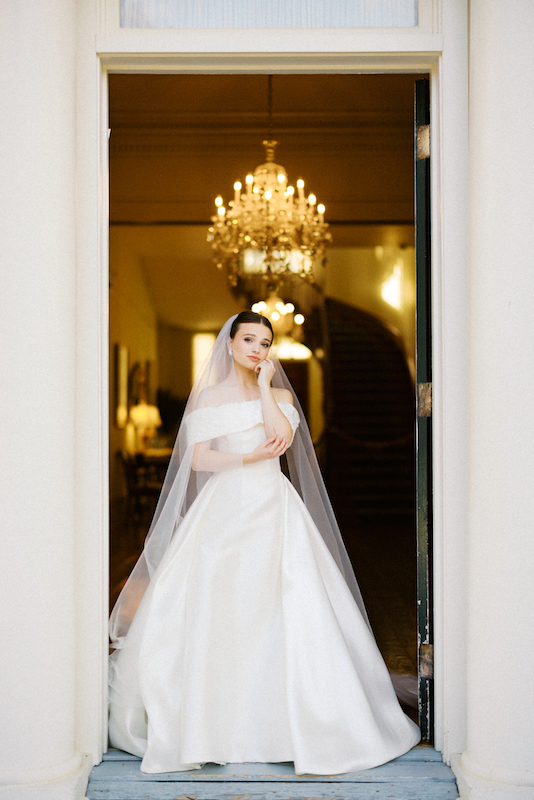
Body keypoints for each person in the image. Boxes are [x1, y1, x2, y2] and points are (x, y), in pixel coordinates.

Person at [108, 311, 420, 775]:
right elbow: (198, 459)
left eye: (266, 342)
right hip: (222, 510)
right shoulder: (208, 397)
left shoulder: (275, 394)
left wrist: (265, 385)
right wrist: (249, 455)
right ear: (229, 343)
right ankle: (208, 725)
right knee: (220, 606)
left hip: (273, 506)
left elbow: (281, 436)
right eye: (249, 339)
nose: (257, 348)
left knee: (285, 604)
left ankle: (294, 725)